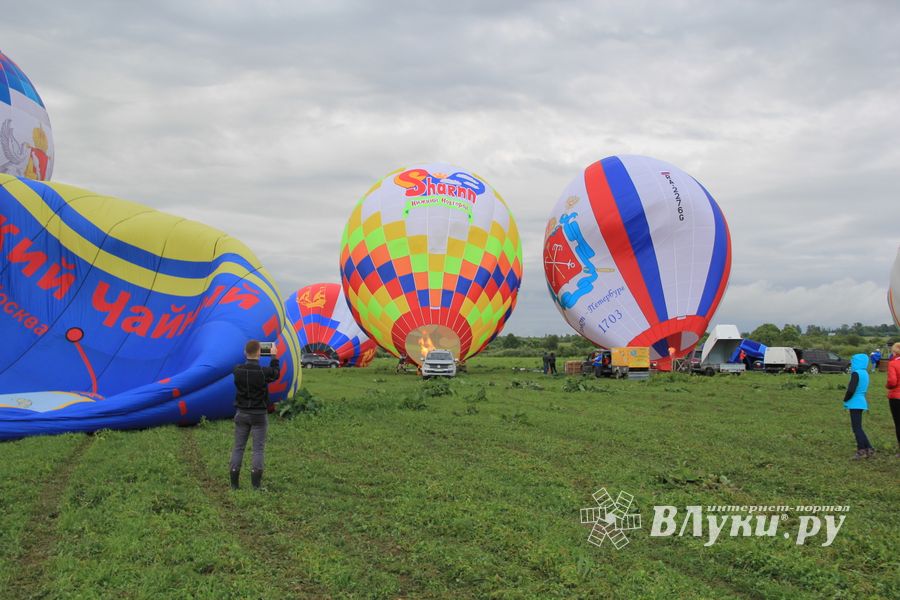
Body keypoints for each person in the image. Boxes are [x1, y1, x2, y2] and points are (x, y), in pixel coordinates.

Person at [230, 340, 280, 489]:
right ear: (259, 353)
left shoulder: (237, 370)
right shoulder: (264, 372)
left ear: (245, 353)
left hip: (242, 413)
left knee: (238, 447)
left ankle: (234, 484)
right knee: (258, 449)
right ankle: (256, 486)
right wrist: (274, 357)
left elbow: (239, 365)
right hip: (259, 414)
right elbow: (276, 373)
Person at [842, 353, 874, 460]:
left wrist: (846, 398)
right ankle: (869, 448)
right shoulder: (865, 373)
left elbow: (851, 389)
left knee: (856, 428)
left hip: (855, 402)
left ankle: (861, 450)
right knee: (859, 427)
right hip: (862, 401)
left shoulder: (856, 373)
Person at [885, 342, 900, 457]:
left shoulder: (893, 364)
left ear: (894, 352)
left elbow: (892, 382)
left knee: (898, 423)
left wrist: (887, 386)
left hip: (896, 397)